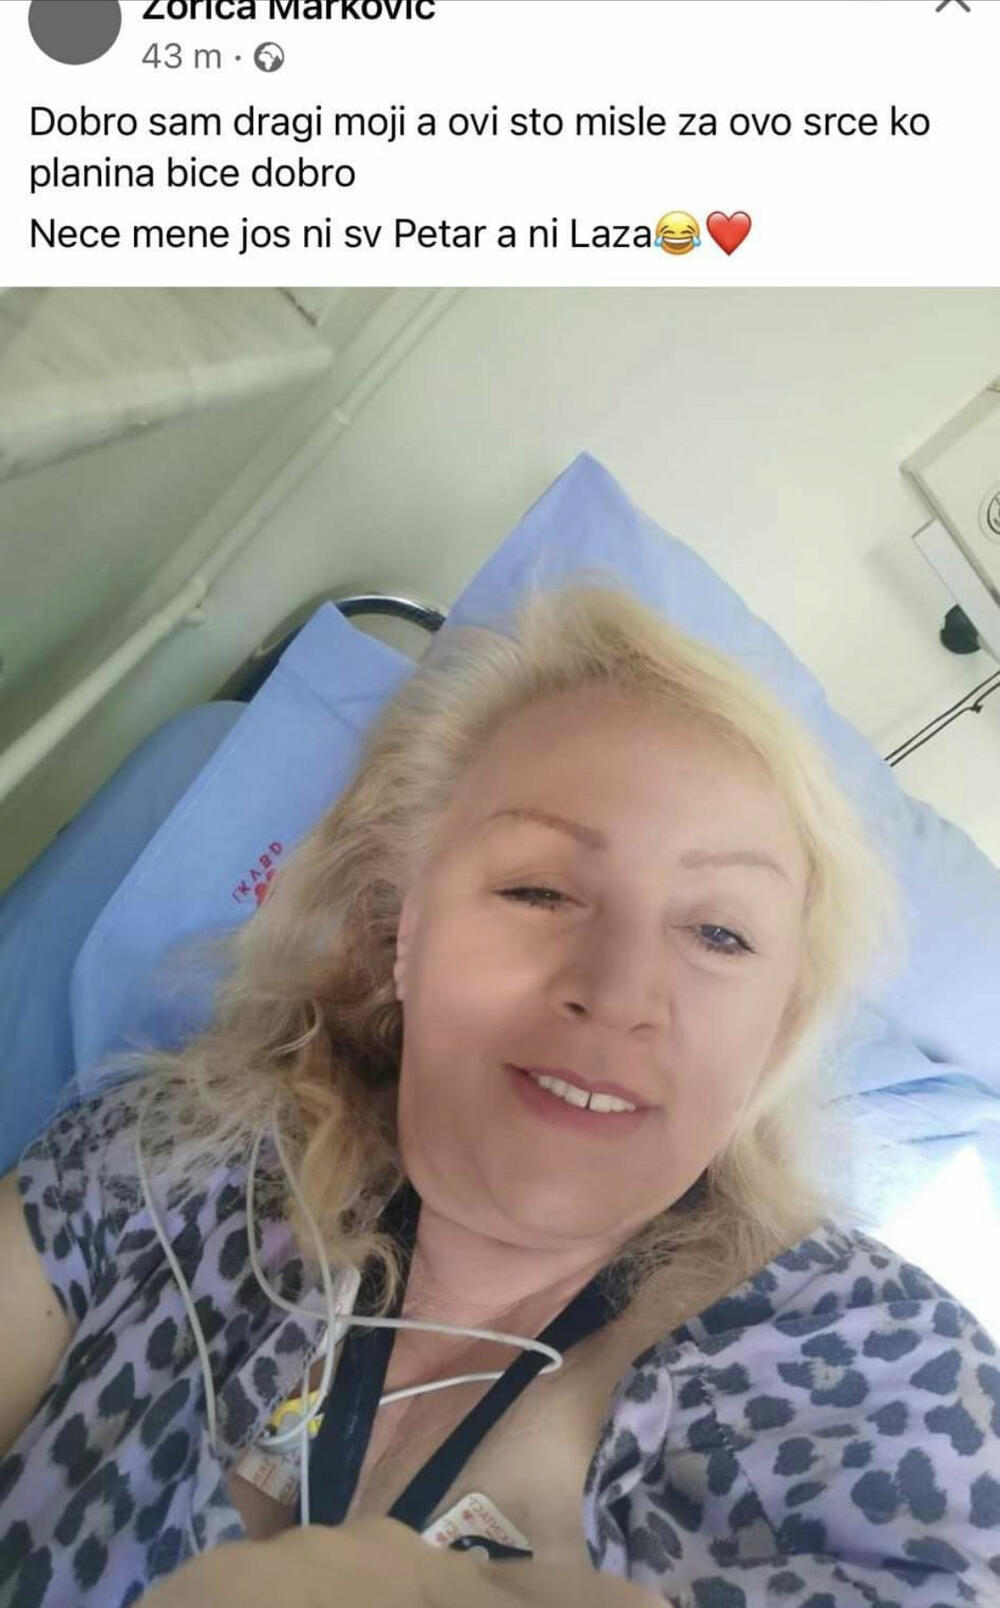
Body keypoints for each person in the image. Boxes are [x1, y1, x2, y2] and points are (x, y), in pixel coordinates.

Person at [1, 578, 997, 1608]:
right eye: (539, 890)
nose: (618, 993)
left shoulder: (880, 1378)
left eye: (718, 933)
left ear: (773, 1038)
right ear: (405, 935)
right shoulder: (173, 1164)